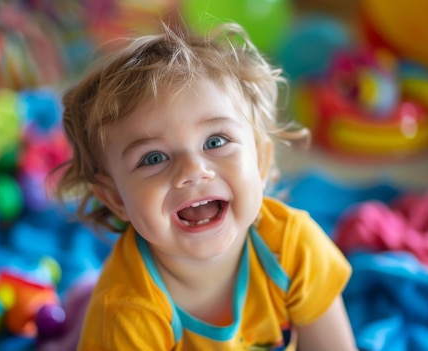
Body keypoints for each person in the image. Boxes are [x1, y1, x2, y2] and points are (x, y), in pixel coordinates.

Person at [53, 22, 356, 350]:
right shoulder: (127, 312)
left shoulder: (293, 248)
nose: (193, 171)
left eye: (215, 141)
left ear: (262, 161)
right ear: (115, 199)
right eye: (153, 158)